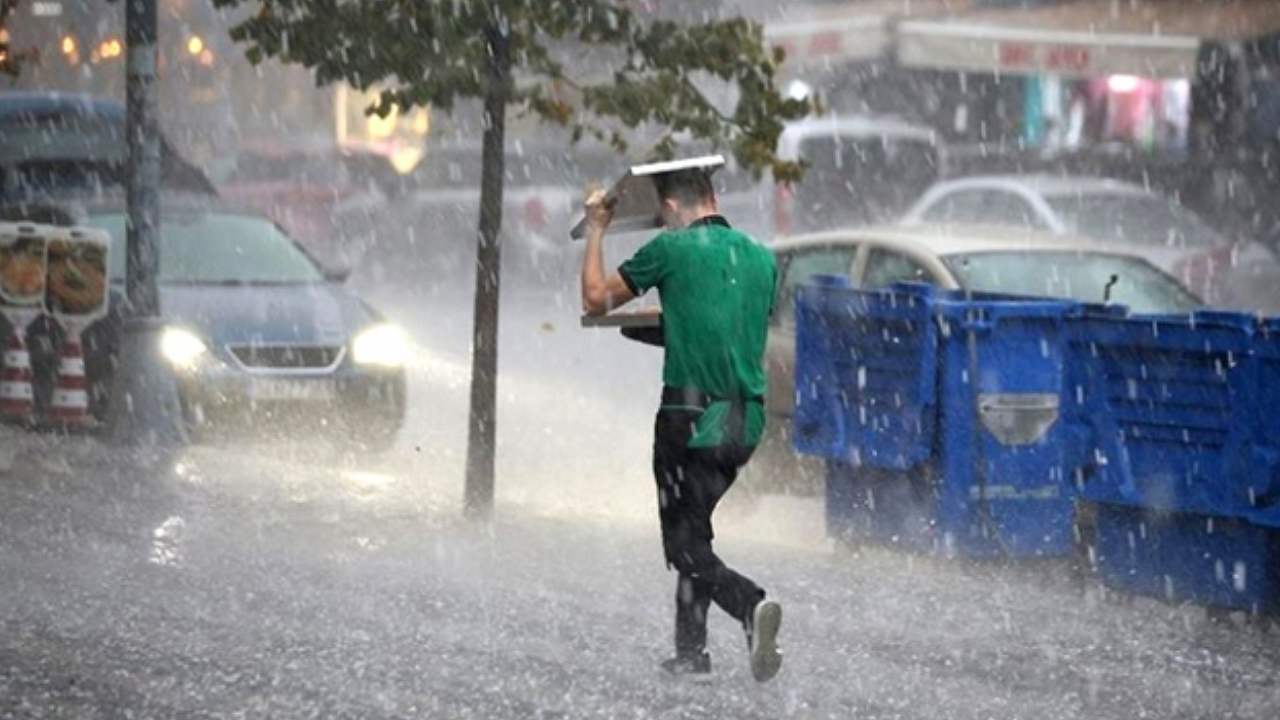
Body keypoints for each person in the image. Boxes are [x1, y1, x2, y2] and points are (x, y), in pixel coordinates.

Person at [579, 166, 783, 683]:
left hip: (689, 420)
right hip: (745, 423)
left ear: (670, 208)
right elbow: (726, 328)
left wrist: (598, 227)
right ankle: (691, 654)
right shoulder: (761, 258)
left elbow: (595, 298)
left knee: (684, 545)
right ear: (713, 195)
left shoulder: (670, 250)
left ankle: (748, 604)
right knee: (696, 530)